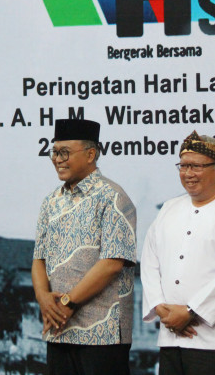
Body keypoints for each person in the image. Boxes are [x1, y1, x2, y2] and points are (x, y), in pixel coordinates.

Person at [141, 131, 215, 375]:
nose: (188, 173)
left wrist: (190, 312)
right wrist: (161, 308)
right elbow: (150, 262)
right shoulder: (169, 208)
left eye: (196, 166)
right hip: (171, 338)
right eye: (183, 166)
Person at [32, 118, 137, 375]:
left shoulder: (113, 197)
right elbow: (39, 259)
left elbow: (112, 263)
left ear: (91, 154)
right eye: (54, 152)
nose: (57, 159)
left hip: (102, 334)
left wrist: (67, 303)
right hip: (59, 328)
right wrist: (44, 298)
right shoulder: (50, 202)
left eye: (64, 152)